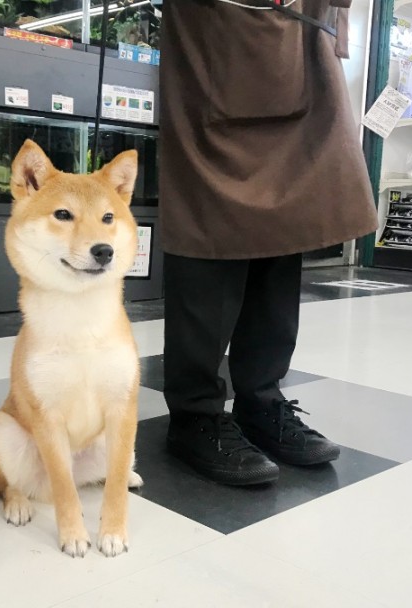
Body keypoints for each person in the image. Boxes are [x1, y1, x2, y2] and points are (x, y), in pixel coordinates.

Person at [158, 0, 378, 485]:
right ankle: (194, 414)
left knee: (286, 226)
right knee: (209, 227)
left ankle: (260, 400)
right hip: (217, 33)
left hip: (296, 42)